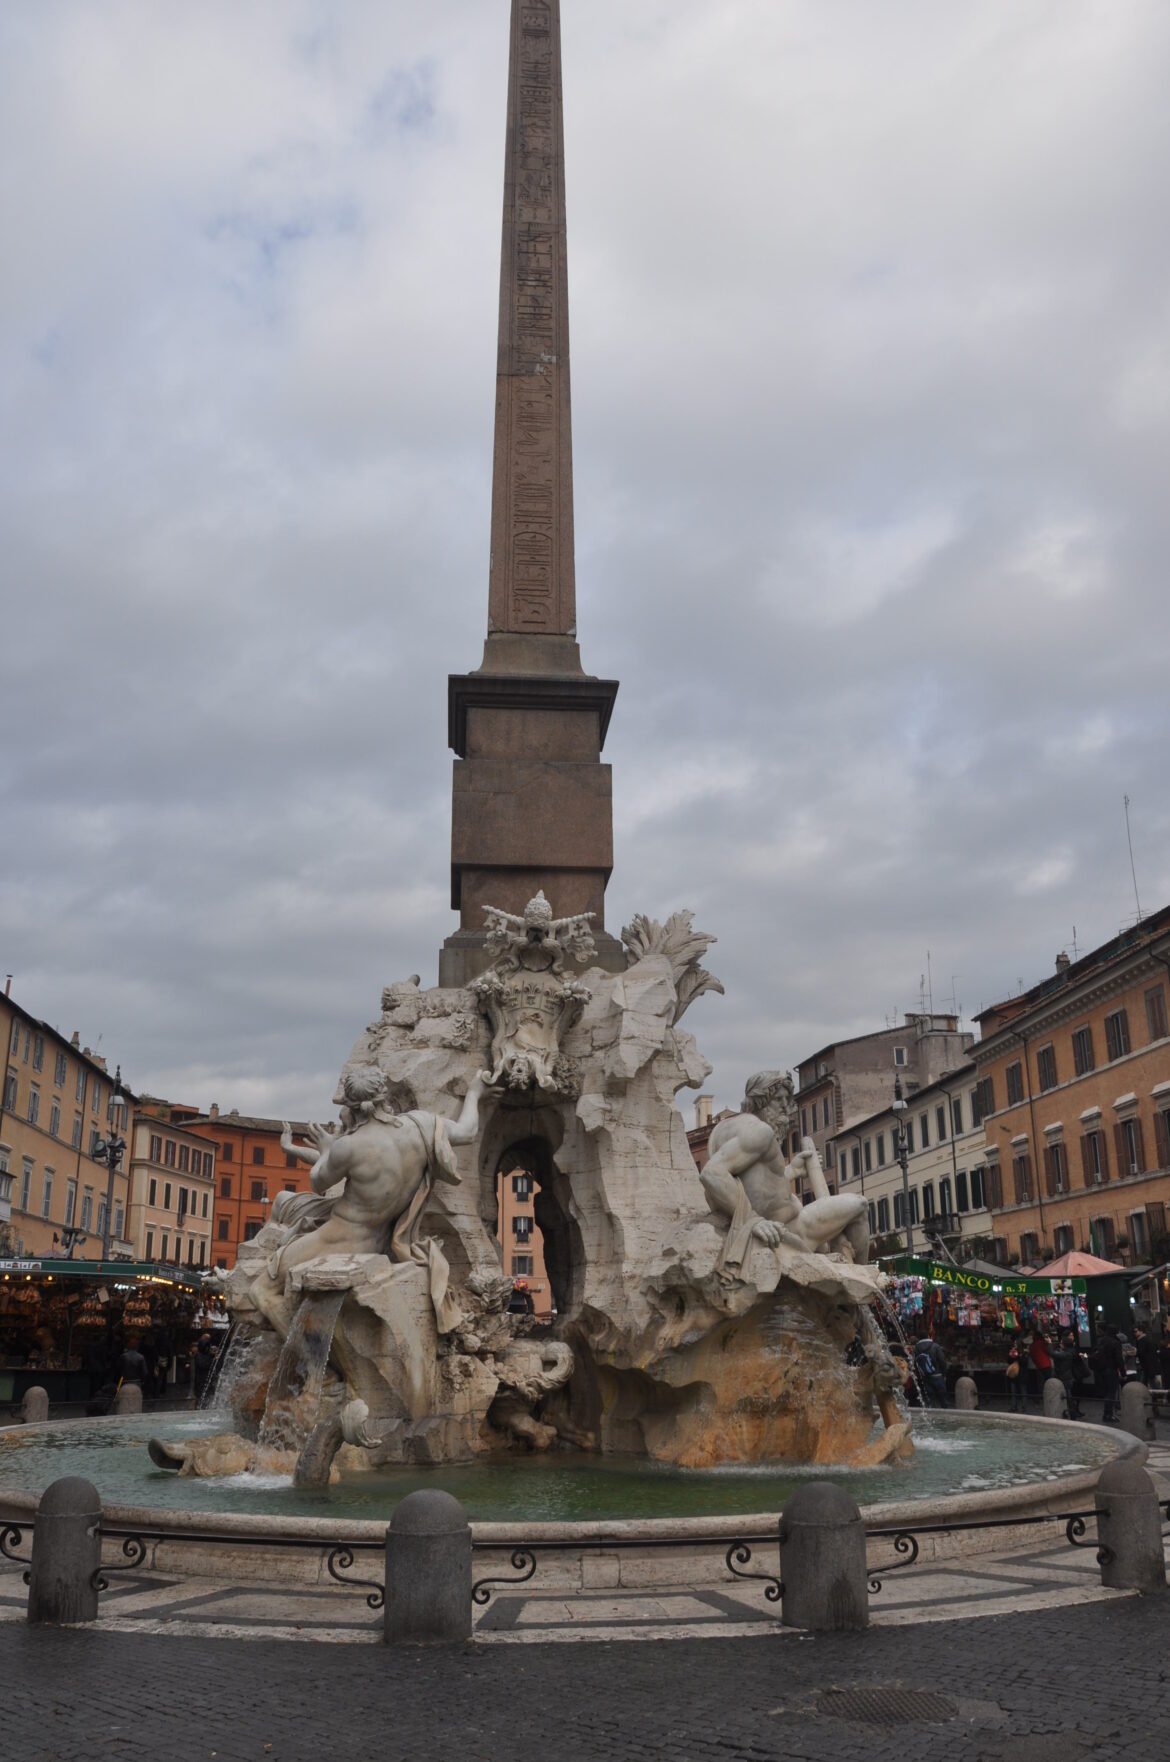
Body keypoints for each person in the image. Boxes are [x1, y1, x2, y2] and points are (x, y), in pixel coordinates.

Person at [1094, 1323, 1125, 1424]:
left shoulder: (1101, 1340)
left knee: (1107, 1392)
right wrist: (1123, 1372)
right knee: (1111, 1393)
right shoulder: (1115, 1342)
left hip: (1101, 1369)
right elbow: (1119, 1359)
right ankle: (1109, 1414)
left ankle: (1106, 1413)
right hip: (1111, 1369)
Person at [1052, 1329, 1083, 1419]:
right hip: (1069, 1374)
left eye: (1073, 1335)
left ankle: (1075, 1410)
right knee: (1069, 1394)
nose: (1072, 1337)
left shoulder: (1071, 1348)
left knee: (1072, 1394)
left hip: (1073, 1373)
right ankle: (1072, 1412)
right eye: (1070, 1335)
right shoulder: (1065, 1350)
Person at [914, 1333, 949, 1408]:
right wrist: (944, 1374)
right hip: (937, 1375)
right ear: (928, 1336)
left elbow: (915, 1362)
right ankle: (946, 1414)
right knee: (943, 1397)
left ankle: (932, 1416)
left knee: (930, 1398)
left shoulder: (916, 1348)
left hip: (925, 1376)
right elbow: (942, 1361)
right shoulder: (935, 1346)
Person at [1027, 1328, 1055, 1403]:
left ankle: (1041, 1397)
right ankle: (1051, 1396)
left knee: (1041, 1383)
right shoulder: (1041, 1343)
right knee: (1050, 1381)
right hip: (1046, 1364)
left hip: (1039, 1366)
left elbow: (1032, 1356)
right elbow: (1049, 1351)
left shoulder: (1031, 1346)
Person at [191, 1333, 217, 1405]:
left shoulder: (206, 1354)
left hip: (206, 1379)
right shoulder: (199, 1355)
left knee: (206, 1397)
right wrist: (213, 1360)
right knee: (201, 1397)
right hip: (201, 1380)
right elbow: (203, 1365)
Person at [1134, 1323, 1160, 1388]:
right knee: (1149, 1382)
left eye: (1136, 1331)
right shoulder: (1148, 1339)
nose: (1134, 1333)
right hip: (1149, 1366)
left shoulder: (1142, 1341)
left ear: (1141, 1331)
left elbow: (1141, 1353)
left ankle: (1158, 1395)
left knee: (1150, 1383)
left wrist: (1135, 1353)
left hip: (1147, 1366)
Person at [1005, 1342, 1025, 1413]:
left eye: (1016, 1344)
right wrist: (1011, 1354)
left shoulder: (1024, 1353)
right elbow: (1008, 1361)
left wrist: (1019, 1356)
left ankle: (1023, 1407)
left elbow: (1024, 1362)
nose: (1014, 1345)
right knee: (1013, 1392)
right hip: (1013, 1376)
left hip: (1022, 1375)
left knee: (1023, 1392)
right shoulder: (1013, 1352)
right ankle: (1014, 1407)